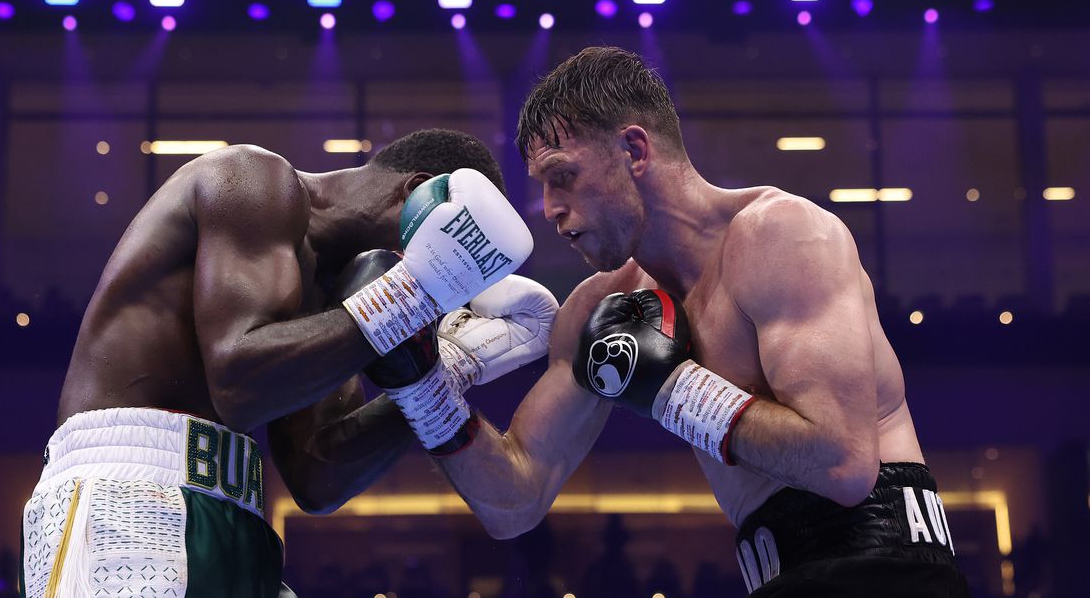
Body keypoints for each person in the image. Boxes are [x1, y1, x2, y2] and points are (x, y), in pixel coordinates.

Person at [384, 48, 968, 596]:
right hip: (773, 576)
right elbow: (514, 501)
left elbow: (842, 465)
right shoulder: (597, 309)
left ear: (634, 150)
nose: (551, 209)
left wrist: (672, 388)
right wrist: (427, 385)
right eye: (542, 186)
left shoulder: (783, 236)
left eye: (563, 176)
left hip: (891, 568)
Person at [19, 128, 556, 597]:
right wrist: (419, 290)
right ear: (416, 196)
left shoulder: (336, 303)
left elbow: (316, 475)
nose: (429, 302)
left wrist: (448, 372)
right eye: (442, 265)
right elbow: (238, 382)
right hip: (126, 496)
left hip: (236, 515)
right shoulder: (254, 180)